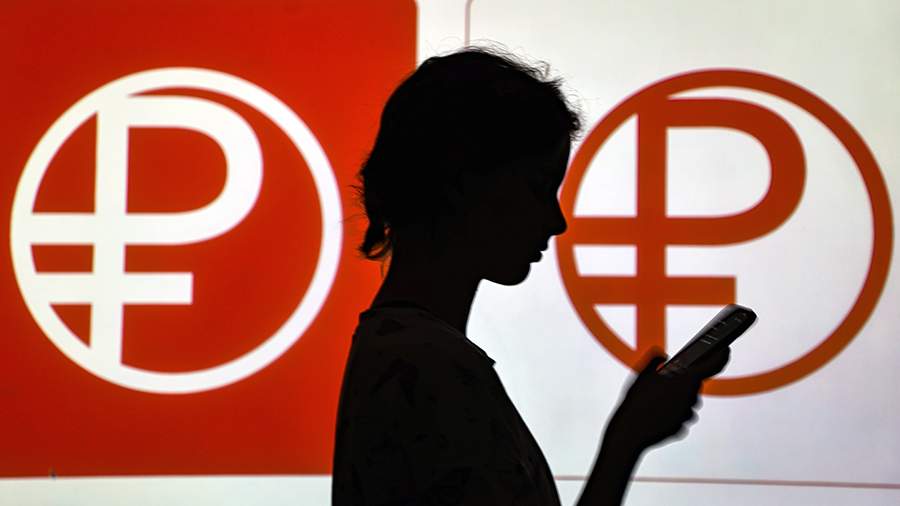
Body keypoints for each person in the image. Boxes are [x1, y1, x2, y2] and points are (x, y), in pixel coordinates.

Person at [332, 45, 729, 506]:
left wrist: (629, 437)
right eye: (538, 189)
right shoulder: (429, 369)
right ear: (464, 184)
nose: (556, 222)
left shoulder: (403, 353)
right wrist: (626, 441)